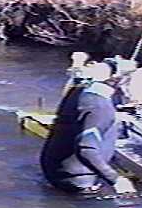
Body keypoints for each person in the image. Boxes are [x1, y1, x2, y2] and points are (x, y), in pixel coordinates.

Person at [40, 59, 136, 195]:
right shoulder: (99, 107)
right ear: (120, 82)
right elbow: (85, 149)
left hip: (55, 171)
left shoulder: (79, 91)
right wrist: (117, 180)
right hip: (78, 183)